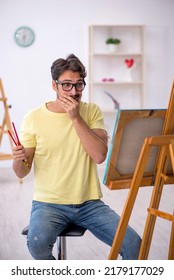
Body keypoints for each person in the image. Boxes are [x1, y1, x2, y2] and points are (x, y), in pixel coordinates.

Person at [12, 54, 141, 260]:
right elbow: (22, 171)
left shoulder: (91, 112)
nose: (74, 92)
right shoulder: (33, 117)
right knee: (37, 245)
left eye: (79, 85)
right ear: (54, 85)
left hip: (89, 203)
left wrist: (75, 117)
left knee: (134, 244)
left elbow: (99, 156)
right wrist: (18, 159)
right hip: (48, 203)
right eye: (67, 85)